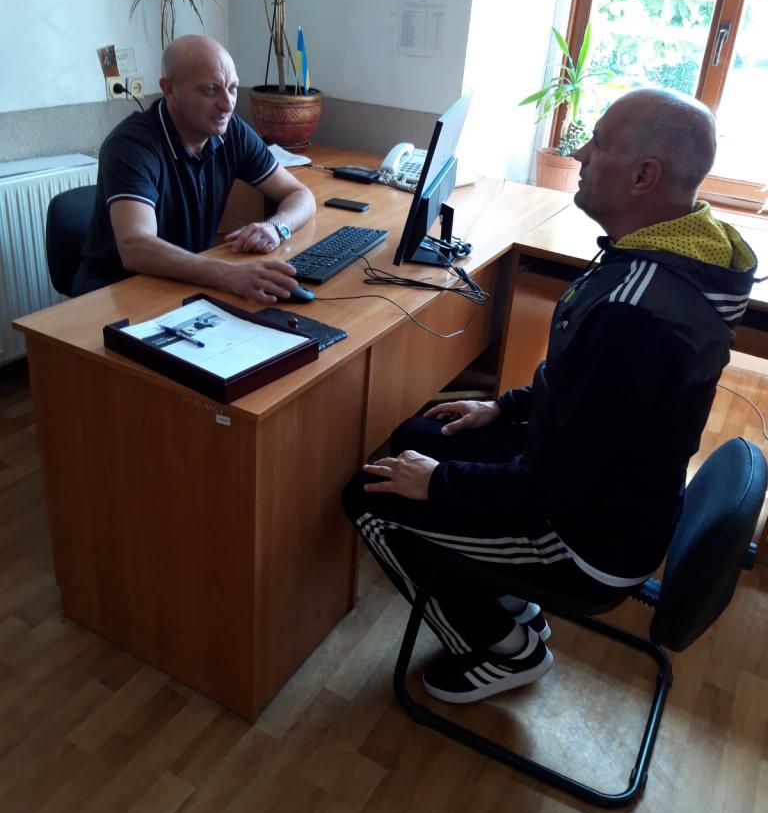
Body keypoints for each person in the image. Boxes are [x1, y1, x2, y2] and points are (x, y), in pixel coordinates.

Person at [342, 88, 757, 705]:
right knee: (417, 436)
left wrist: (440, 484)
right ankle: (506, 599)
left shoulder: (637, 317)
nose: (581, 154)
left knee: (369, 497)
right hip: (599, 492)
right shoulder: (658, 256)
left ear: (644, 176)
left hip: (584, 542)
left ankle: (502, 649)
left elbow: (553, 490)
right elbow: (580, 388)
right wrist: (502, 408)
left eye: (599, 144)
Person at [73, 35, 315, 302]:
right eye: (211, 89)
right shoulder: (131, 145)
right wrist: (228, 274)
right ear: (170, 89)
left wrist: (277, 228)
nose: (227, 104)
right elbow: (135, 247)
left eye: (232, 88)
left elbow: (300, 195)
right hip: (116, 294)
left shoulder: (231, 131)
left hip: (184, 283)